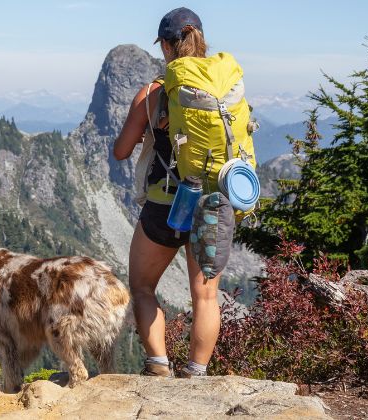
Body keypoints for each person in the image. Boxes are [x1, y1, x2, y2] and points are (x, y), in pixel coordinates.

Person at [112, 7, 219, 378]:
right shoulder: (223, 89)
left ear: (167, 47)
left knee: (142, 286)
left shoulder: (153, 92)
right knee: (205, 295)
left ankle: (158, 364)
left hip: (166, 203)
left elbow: (121, 151)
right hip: (212, 203)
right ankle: (196, 373)